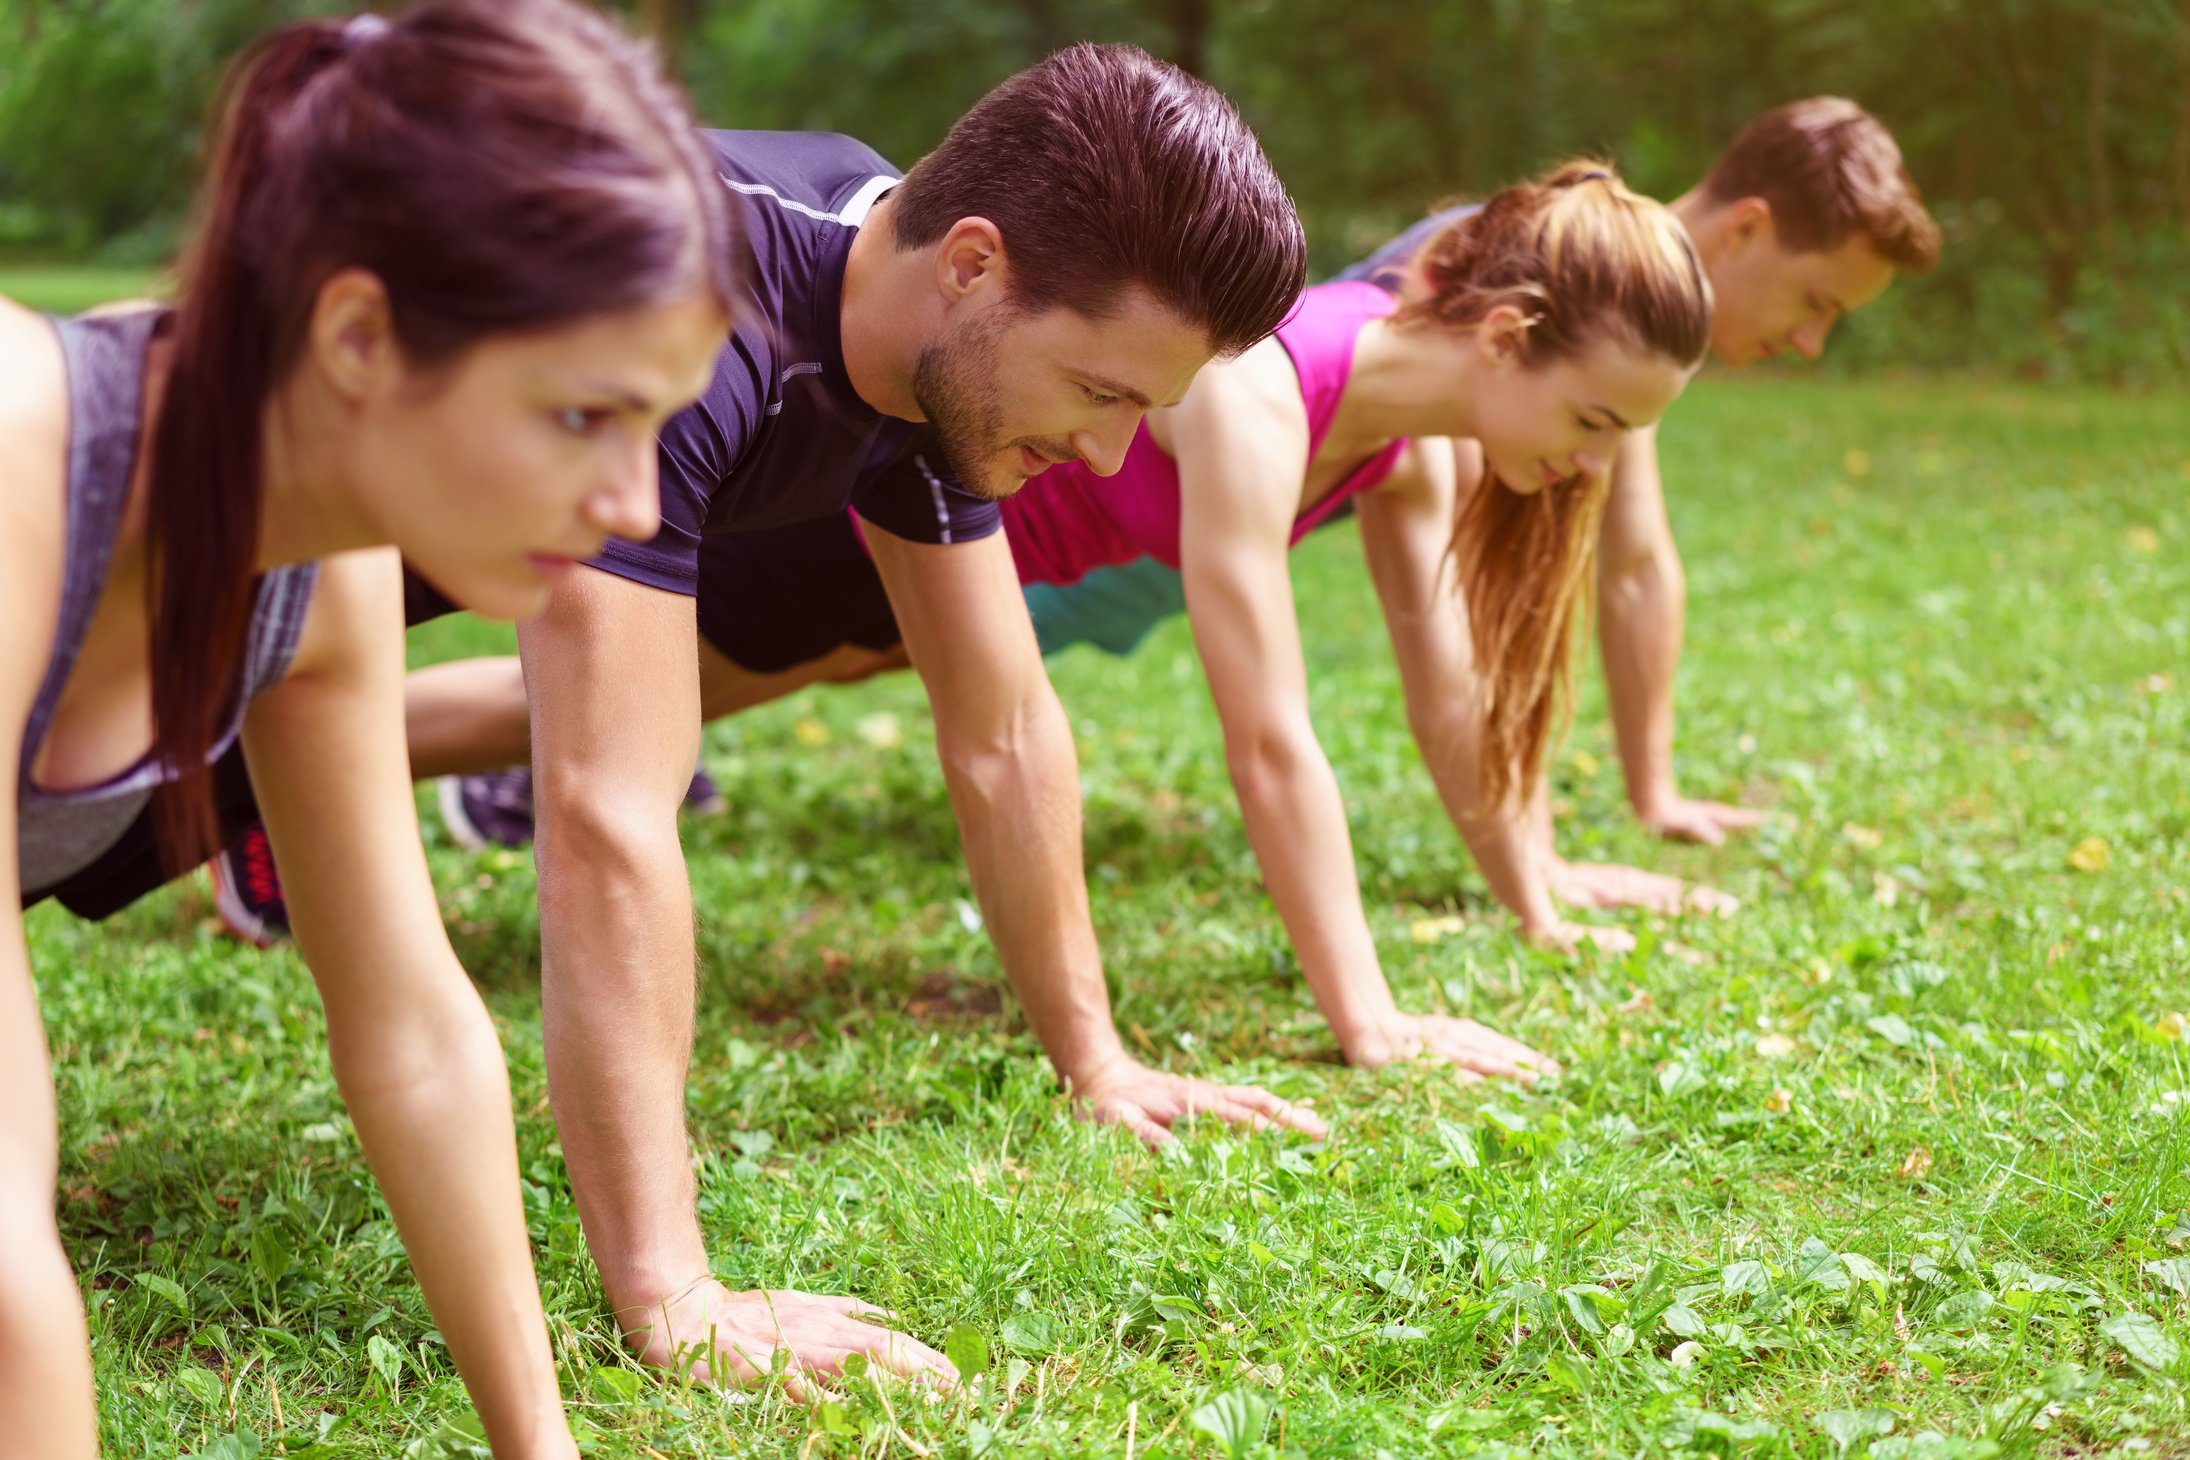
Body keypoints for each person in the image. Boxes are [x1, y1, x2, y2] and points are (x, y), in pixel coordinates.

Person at [196, 45, 1319, 1386]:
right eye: (1102, 392)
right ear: (971, 265)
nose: (1108, 456)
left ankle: (219, 798)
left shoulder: (918, 338)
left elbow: (1004, 730)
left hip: (282, 647)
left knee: (166, 796)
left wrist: (1101, 1062)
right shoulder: (689, 310)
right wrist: (676, 1294)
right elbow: (606, 812)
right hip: (136, 606)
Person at [544, 159, 1713, 1073]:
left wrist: (1535, 897)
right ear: (1509, 339)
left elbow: (1448, 686)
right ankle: (424, 755)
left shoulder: (1409, 451)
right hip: (880, 543)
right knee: (591, 709)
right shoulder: (1264, 393)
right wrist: (1371, 1015)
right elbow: (1267, 735)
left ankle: (441, 750)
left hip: (998, 587)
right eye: (1596, 421)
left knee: (621, 702)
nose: (1589, 466)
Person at [3, 2, 738, 1454]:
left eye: (654, 425)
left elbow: (410, 1031)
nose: (637, 506)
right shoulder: (20, 464)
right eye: (584, 414)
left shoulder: (312, 558)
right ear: (355, 332)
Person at [842, 98, 1943, 949]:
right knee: (814, 638)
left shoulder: (1500, 391)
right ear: (1501, 333)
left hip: (1149, 536)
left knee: (833, 651)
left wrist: (1542, 872)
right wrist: (1390, 1006)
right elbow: (1306, 716)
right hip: (1074, 522)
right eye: (1816, 303)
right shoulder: (1505, 295)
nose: (1810, 341)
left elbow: (1478, 639)